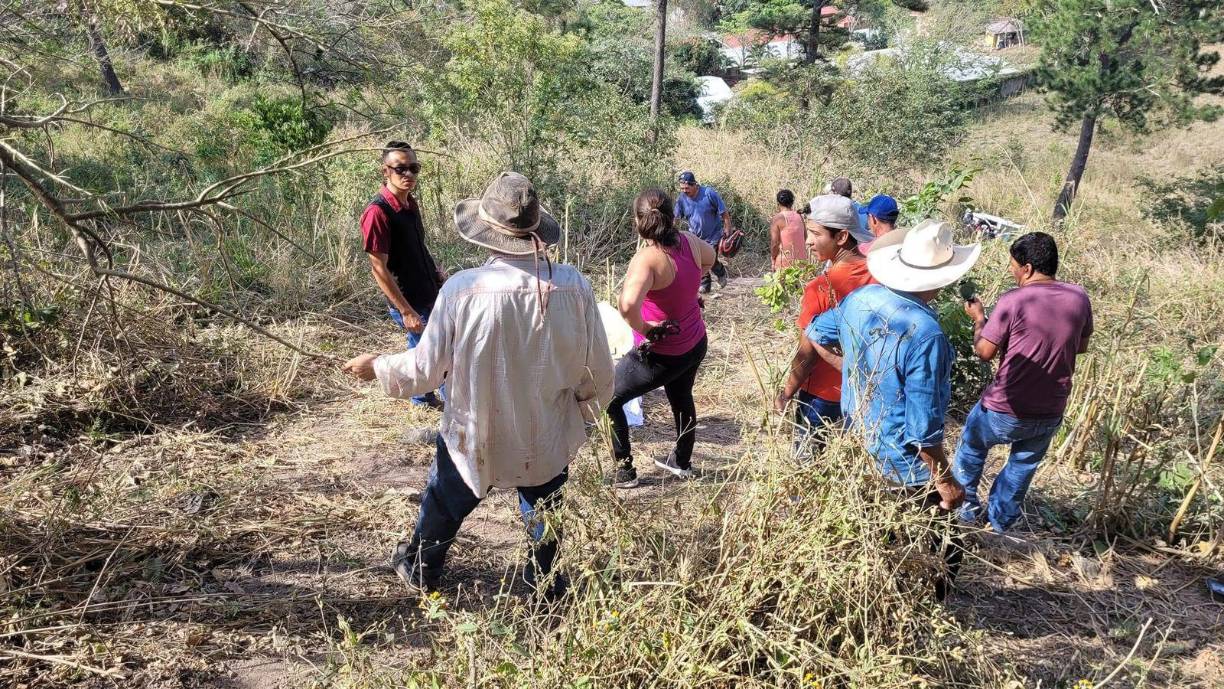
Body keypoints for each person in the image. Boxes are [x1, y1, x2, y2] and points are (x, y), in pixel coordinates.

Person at [342, 172, 615, 595]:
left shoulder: (462, 289)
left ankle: (421, 566)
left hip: (475, 430)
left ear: (486, 232)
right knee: (543, 502)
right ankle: (545, 581)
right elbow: (596, 370)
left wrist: (377, 366)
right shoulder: (574, 285)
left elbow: (427, 370)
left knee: (447, 500)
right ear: (536, 231)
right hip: (544, 426)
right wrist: (587, 414)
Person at [805, 220, 979, 598]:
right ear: (943, 278)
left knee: (879, 535)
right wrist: (945, 481)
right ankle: (930, 607)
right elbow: (922, 428)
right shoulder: (926, 334)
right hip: (905, 464)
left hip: (859, 443)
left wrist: (853, 370)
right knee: (944, 547)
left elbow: (816, 332)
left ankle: (882, 598)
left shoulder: (861, 299)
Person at [953, 232, 1093, 534]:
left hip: (1005, 407)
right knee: (1022, 466)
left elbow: (984, 352)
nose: (1012, 271)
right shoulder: (1079, 297)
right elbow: (1080, 346)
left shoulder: (1013, 300)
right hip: (1051, 409)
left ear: (1027, 268)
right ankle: (1000, 524)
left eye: (1013, 265)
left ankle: (964, 512)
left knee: (972, 448)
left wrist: (979, 319)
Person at [606, 189, 716, 488]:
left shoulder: (648, 259)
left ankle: (624, 470)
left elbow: (627, 306)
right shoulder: (690, 242)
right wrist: (690, 291)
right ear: (672, 216)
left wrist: (646, 328)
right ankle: (681, 462)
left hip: (665, 353)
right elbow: (712, 256)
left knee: (610, 398)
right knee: (682, 397)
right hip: (695, 342)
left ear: (637, 221)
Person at [774, 195, 876, 449]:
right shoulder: (878, 273)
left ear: (841, 237)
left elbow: (806, 354)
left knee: (807, 467)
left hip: (822, 396)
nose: (807, 241)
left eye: (815, 234)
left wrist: (786, 392)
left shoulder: (821, 287)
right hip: (865, 394)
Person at [359, 140, 447, 410]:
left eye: (413, 168)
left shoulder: (410, 204)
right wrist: (406, 311)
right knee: (437, 352)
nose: (408, 174)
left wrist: (435, 274)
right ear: (385, 171)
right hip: (409, 299)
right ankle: (451, 399)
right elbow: (378, 268)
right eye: (400, 169)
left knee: (422, 346)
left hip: (427, 290)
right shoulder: (377, 213)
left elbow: (417, 247)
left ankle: (421, 397)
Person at [674, 171, 734, 294]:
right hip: (695, 237)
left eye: (687, 188)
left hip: (713, 235)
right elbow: (675, 218)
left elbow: (724, 213)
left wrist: (728, 229)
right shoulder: (682, 199)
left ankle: (720, 271)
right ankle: (705, 284)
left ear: (694, 185)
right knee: (697, 260)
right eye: (682, 188)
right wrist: (670, 231)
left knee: (708, 259)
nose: (684, 191)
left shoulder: (708, 193)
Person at [769, 189, 809, 270]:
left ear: (778, 203)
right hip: (801, 263)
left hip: (784, 264)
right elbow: (805, 237)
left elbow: (775, 243)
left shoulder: (777, 218)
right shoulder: (799, 216)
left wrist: (773, 260)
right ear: (792, 202)